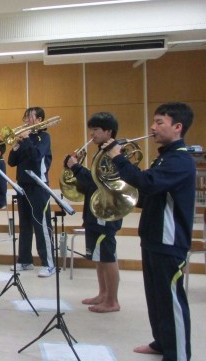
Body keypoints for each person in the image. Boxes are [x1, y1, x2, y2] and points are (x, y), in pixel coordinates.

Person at [104, 101, 194, 360]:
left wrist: (118, 158)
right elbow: (147, 194)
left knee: (172, 301)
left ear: (177, 127)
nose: (152, 127)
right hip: (153, 237)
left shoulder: (180, 160)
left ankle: (178, 355)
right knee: (156, 298)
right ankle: (162, 342)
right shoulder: (163, 157)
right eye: (154, 121)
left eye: (159, 122)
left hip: (169, 240)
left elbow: (149, 182)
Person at [65, 112, 122, 312]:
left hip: (106, 212)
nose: (92, 134)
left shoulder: (113, 154)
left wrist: (76, 168)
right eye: (91, 129)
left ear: (109, 132)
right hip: (94, 211)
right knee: (98, 257)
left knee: (107, 257)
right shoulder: (101, 152)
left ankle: (112, 301)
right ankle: (103, 293)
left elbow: (99, 183)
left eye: (96, 129)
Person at [7, 106, 55, 277]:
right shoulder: (24, 139)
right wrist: (16, 146)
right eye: (25, 117)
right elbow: (12, 162)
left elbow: (36, 157)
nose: (26, 121)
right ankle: (25, 260)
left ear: (39, 120)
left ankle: (48, 263)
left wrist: (26, 139)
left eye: (30, 117)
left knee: (41, 225)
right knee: (25, 225)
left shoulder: (44, 137)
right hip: (23, 186)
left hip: (38, 186)